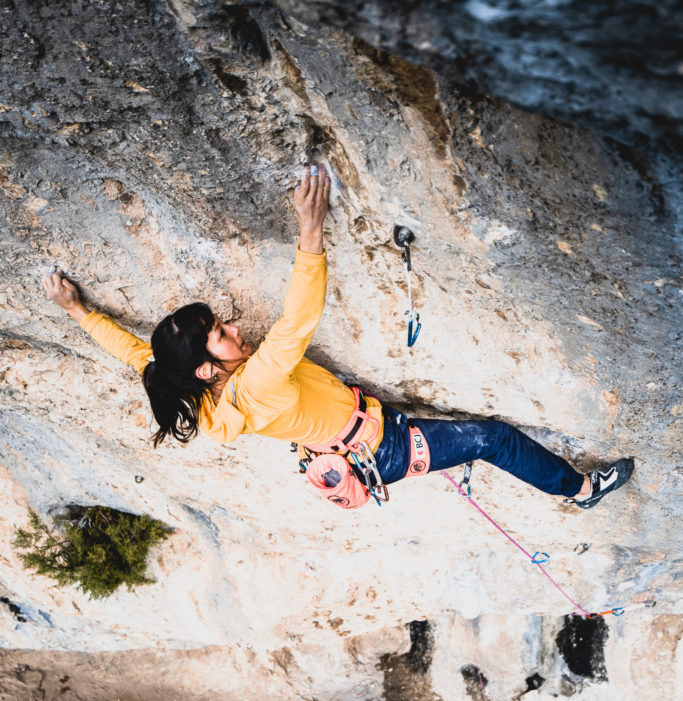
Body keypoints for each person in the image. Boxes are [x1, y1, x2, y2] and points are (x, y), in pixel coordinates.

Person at [43, 164, 633, 510]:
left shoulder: (199, 391)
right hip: (386, 449)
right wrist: (309, 227)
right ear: (206, 366)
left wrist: (78, 313)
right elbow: (297, 318)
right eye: (222, 334)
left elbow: (136, 356)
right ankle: (581, 489)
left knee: (479, 437)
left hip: (356, 436)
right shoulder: (259, 383)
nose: (235, 329)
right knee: (493, 439)